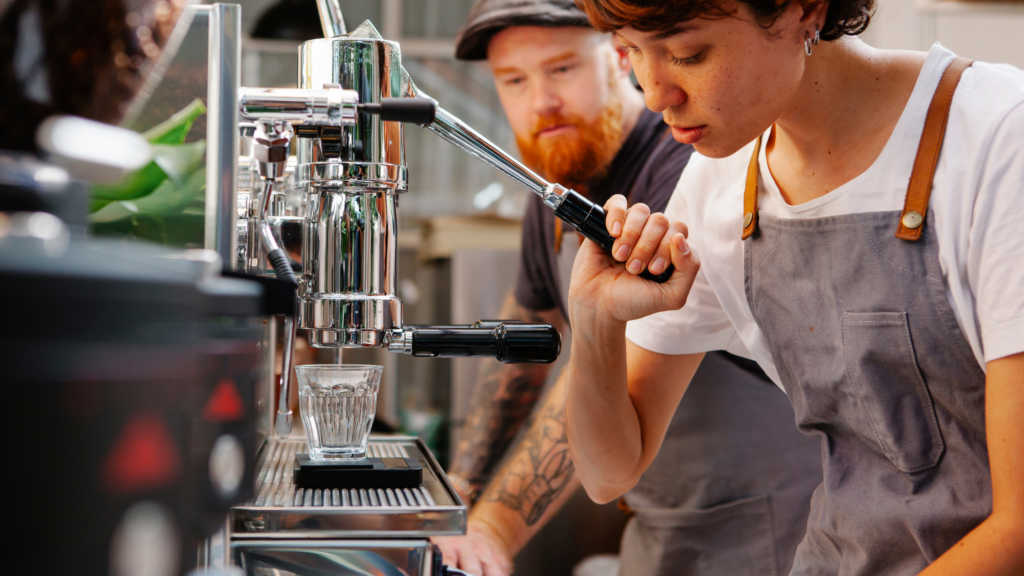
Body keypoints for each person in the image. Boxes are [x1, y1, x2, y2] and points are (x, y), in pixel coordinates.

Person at [562, 0, 1024, 575]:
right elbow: (609, 472)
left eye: (687, 54)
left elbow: (1018, 528)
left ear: (803, 10)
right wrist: (595, 322)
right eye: (631, 52)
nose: (654, 94)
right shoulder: (721, 182)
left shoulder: (1000, 137)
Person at [438, 2, 822, 575]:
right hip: (658, 516)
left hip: (766, 526)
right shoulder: (554, 187)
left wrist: (494, 528)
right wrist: (459, 494)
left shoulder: (688, 165)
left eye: (562, 69)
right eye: (514, 81)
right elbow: (519, 353)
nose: (542, 102)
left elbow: (601, 366)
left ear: (622, 57)